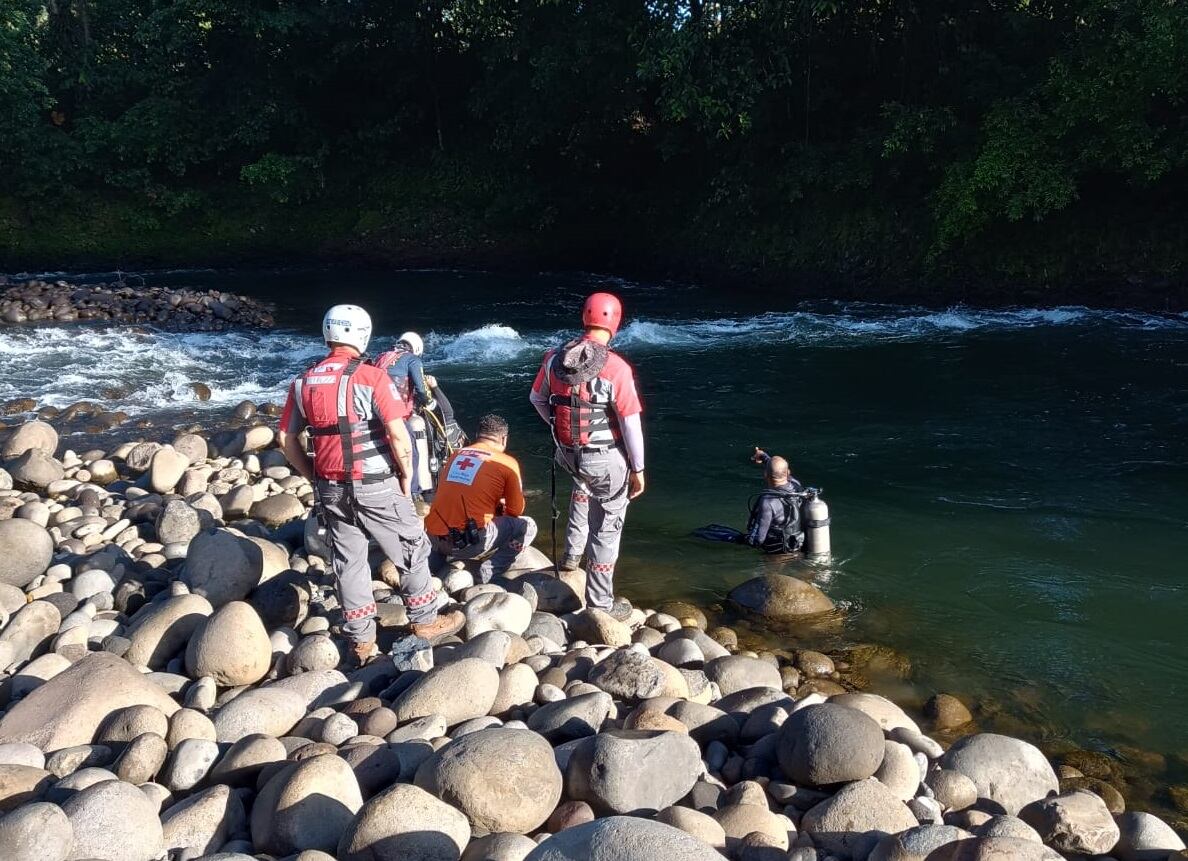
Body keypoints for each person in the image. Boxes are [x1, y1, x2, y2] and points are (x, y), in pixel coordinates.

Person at [278, 305, 464, 666]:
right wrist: (406, 475)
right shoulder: (371, 377)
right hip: (375, 482)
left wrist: (313, 475)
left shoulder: (302, 382)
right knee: (412, 543)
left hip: (330, 486)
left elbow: (285, 438)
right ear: (362, 334)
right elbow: (397, 434)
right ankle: (425, 621)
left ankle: (361, 641)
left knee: (348, 560)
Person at [530, 292, 645, 617]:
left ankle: (571, 556)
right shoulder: (616, 368)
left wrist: (557, 429)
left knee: (583, 488)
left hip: (567, 454)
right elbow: (630, 423)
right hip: (605, 459)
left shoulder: (554, 359)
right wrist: (638, 468)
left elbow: (536, 399)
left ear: (585, 317)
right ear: (615, 322)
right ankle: (600, 606)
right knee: (606, 530)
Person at [425, 414, 538, 582]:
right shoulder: (507, 462)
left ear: (478, 434)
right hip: (469, 543)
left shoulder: (456, 455)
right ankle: (490, 571)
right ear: (504, 439)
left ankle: (434, 566)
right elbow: (516, 510)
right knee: (527, 526)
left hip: (435, 538)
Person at [373, 331, 435, 505]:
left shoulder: (381, 357)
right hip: (396, 414)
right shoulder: (412, 359)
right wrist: (429, 402)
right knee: (411, 451)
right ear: (416, 348)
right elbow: (421, 389)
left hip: (375, 416)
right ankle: (413, 493)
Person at [746, 447, 805, 554]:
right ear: (788, 472)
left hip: (776, 556)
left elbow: (759, 539)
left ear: (765, 475)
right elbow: (779, 470)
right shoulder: (796, 486)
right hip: (797, 547)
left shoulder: (768, 501)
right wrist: (764, 457)